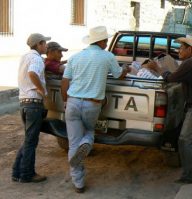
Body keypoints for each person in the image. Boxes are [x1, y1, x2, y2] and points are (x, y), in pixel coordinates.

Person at [61, 26, 130, 193]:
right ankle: (86, 143)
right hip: (92, 104)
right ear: (99, 41)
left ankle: (78, 183)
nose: (107, 43)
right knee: (90, 131)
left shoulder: (75, 57)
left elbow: (65, 82)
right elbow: (118, 74)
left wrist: (66, 102)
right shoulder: (107, 57)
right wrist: (126, 69)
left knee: (73, 144)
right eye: (105, 40)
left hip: (73, 102)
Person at [147, 35, 192, 184]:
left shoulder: (189, 63)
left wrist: (158, 68)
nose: (179, 50)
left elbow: (170, 78)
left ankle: (190, 175)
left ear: (189, 49)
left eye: (181, 48)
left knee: (184, 140)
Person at [12, 33, 51, 183]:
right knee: (31, 141)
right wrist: (41, 89)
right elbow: (32, 73)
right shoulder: (36, 59)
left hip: (24, 102)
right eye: (45, 43)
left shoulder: (25, 57)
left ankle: (17, 172)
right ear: (39, 44)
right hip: (34, 103)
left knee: (28, 139)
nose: (46, 46)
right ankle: (27, 174)